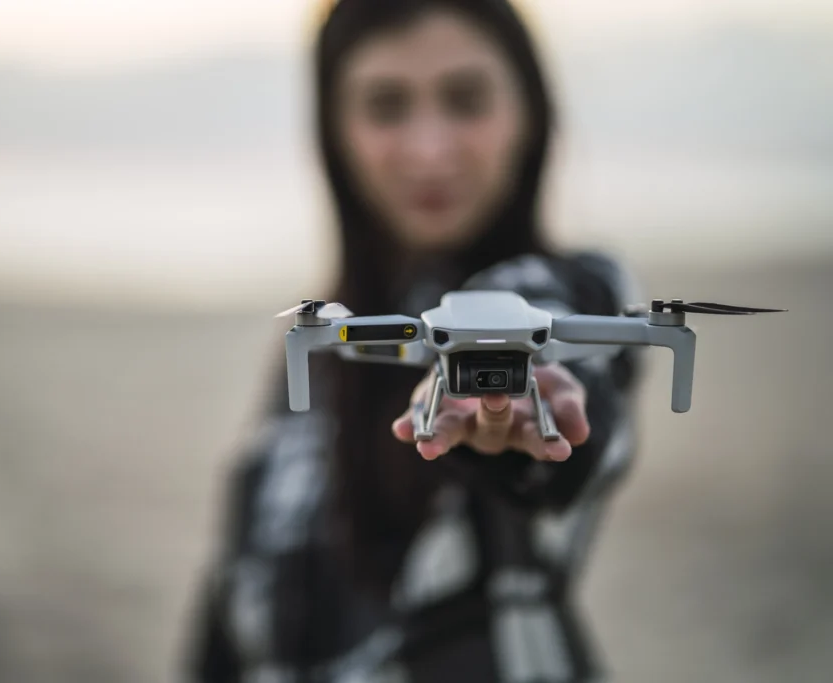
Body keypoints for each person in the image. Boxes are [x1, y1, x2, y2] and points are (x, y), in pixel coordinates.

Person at [183, 0, 643, 680]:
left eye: (466, 99)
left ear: (529, 115)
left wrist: (523, 401)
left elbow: (573, 399)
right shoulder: (321, 344)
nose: (430, 149)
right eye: (386, 105)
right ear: (335, 132)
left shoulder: (578, 288)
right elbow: (231, 600)